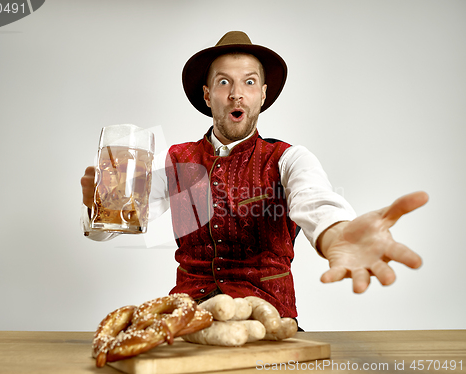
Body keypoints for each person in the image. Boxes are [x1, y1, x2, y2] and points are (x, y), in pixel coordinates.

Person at [81, 31, 428, 325]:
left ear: (261, 95)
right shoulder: (175, 161)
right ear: (207, 96)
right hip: (187, 320)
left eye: (249, 82)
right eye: (223, 83)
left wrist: (337, 232)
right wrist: (99, 209)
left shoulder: (288, 158)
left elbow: (315, 201)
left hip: (268, 320)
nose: (236, 93)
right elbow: (113, 228)